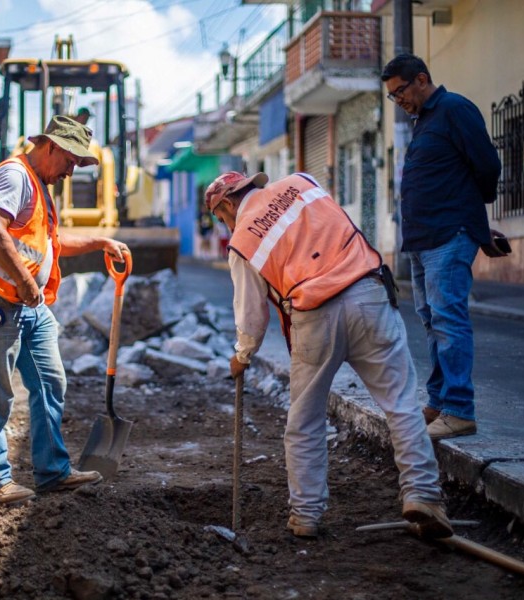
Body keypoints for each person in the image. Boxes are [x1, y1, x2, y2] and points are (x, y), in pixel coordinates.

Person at [206, 170, 452, 540]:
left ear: (226, 203)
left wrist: (243, 354)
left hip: (315, 315)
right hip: (369, 293)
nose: (225, 223)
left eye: (221, 216)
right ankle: (422, 494)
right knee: (401, 404)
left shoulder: (242, 241)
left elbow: (251, 314)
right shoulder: (302, 183)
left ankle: (306, 515)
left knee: (304, 420)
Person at [0, 115, 130, 505]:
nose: (72, 171)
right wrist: (23, 281)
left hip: (28, 304)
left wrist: (100, 241)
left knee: (51, 380)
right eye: (71, 161)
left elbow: (52, 243)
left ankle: (52, 471)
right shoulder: (14, 176)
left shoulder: (38, 186)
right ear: (51, 146)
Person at [381, 54, 502, 440]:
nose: (398, 101)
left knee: (449, 320)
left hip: (449, 233)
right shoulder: (424, 122)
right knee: (432, 321)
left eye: (400, 92)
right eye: (392, 97)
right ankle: (438, 401)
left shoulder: (453, 109)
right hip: (422, 239)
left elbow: (487, 165)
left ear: (421, 79)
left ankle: (459, 409)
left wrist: (470, 214)